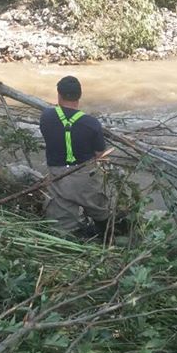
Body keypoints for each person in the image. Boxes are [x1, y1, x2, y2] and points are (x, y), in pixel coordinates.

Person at [39, 76, 111, 237]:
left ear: (59, 94)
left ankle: (72, 237)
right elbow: (100, 154)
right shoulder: (91, 123)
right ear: (79, 96)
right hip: (84, 175)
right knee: (99, 209)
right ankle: (105, 234)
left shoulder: (46, 117)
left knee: (61, 225)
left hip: (57, 176)